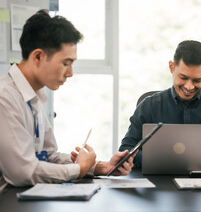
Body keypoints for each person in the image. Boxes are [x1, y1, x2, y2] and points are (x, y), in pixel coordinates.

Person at [0, 10, 135, 194]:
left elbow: (48, 156)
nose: (70, 73)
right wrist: (78, 170)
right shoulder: (5, 97)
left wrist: (98, 167)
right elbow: (23, 171)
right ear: (38, 57)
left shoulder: (34, 95)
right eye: (66, 63)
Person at [119, 40, 201, 168]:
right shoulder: (149, 106)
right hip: (158, 182)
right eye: (183, 78)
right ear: (172, 67)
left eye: (197, 80)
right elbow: (126, 152)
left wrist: (199, 147)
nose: (189, 87)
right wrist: (160, 154)